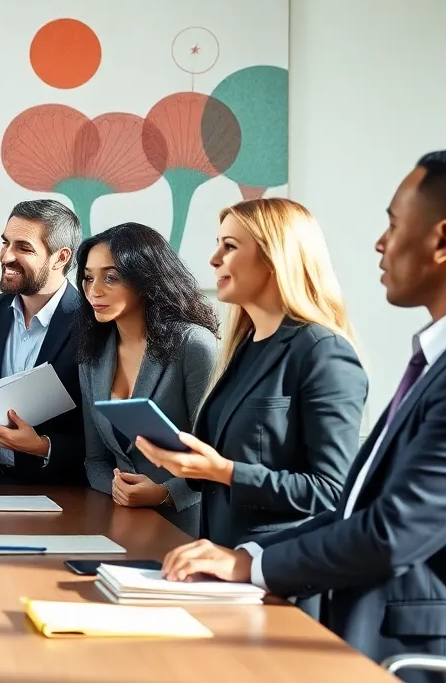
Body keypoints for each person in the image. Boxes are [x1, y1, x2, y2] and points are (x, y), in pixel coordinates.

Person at [159, 150, 446, 677]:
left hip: (433, 657)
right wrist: (242, 556)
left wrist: (250, 561)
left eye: (393, 225)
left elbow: (393, 531)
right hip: (376, 633)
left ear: (443, 240)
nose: (379, 243)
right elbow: (358, 509)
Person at [135, 198, 367, 560]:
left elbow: (332, 491)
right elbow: (227, 462)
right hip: (219, 560)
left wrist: (224, 471)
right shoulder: (242, 347)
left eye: (229, 247)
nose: (213, 259)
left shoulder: (323, 352)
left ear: (275, 258)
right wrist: (183, 461)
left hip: (278, 570)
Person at [75, 222, 219, 536]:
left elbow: (216, 455)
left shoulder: (194, 345)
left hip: (188, 527)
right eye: (88, 277)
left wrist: (165, 492)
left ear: (145, 280)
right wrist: (119, 490)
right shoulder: (91, 356)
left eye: (110, 277)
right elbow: (94, 459)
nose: (94, 291)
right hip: (117, 523)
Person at [0, 199, 90, 486]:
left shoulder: (93, 322)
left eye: (24, 247)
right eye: (6, 242)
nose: (7, 256)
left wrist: (42, 446)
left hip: (59, 492)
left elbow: (102, 435)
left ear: (61, 258)